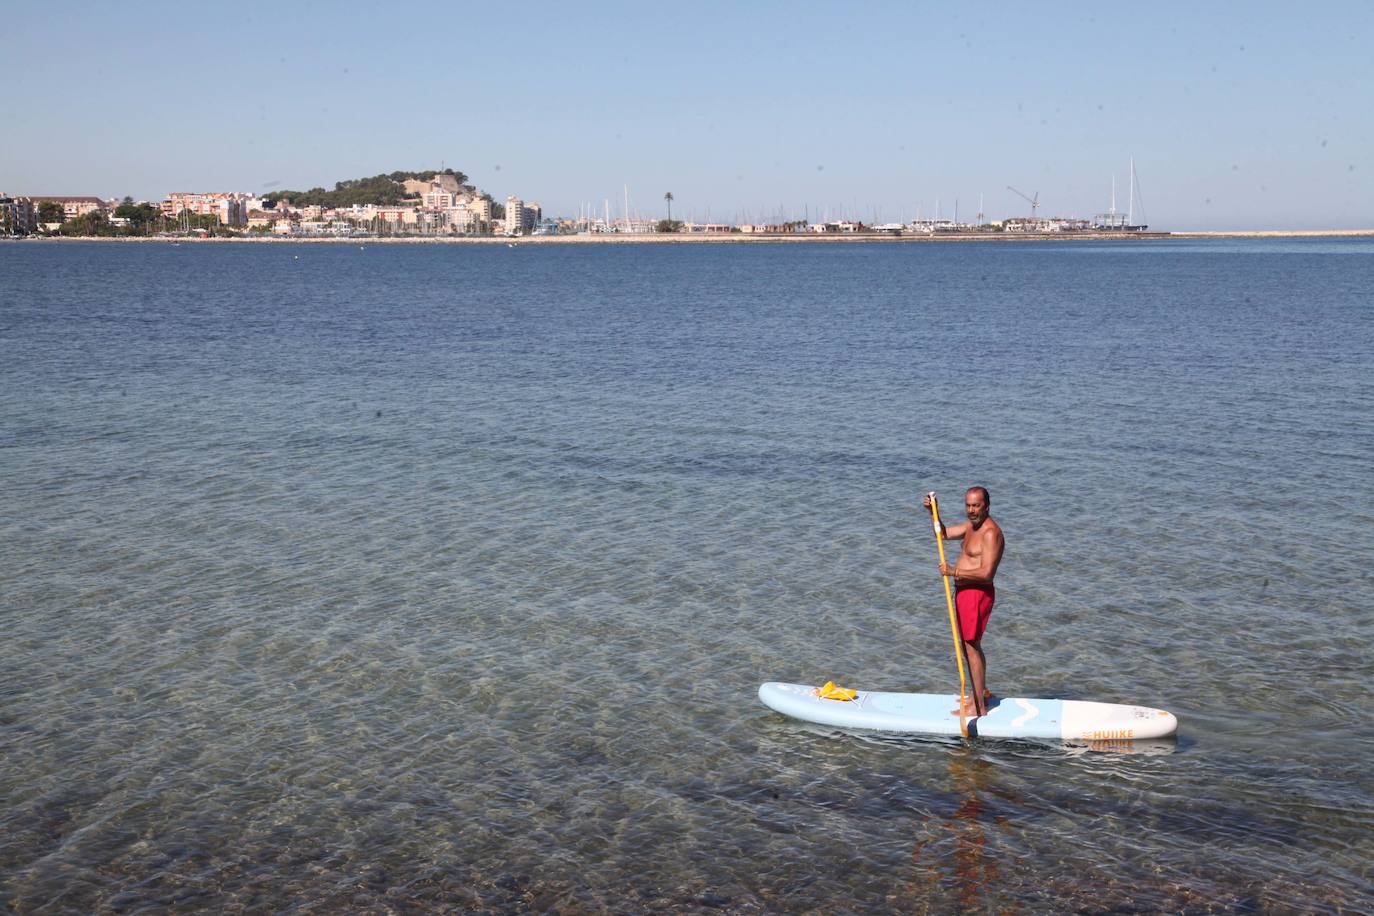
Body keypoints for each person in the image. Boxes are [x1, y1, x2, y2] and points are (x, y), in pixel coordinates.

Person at [923, 487, 1005, 717]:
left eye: (976, 505)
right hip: (963, 592)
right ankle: (977, 694)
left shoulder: (991, 534)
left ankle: (979, 706)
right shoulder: (971, 527)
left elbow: (987, 573)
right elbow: (943, 534)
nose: (971, 510)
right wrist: (934, 513)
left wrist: (953, 571)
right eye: (968, 505)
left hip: (977, 593)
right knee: (968, 645)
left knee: (971, 645)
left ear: (986, 506)